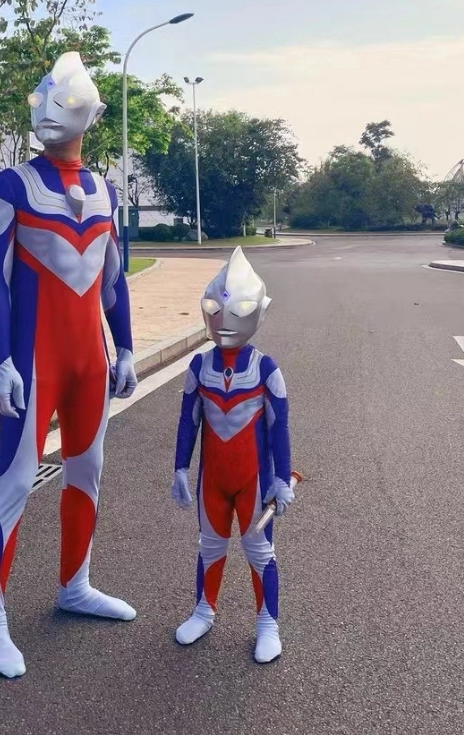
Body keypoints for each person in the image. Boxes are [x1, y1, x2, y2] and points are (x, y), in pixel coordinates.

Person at [0, 51, 137, 678]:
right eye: (40, 99)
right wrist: (1, 361)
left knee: (87, 473)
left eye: (63, 101)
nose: (47, 110)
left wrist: (126, 347)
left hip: (90, 363)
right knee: (14, 483)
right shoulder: (10, 185)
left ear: (91, 114)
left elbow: (113, 282)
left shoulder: (107, 191)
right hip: (33, 361)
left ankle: (76, 585)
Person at [170, 247, 294, 663]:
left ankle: (268, 624)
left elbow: (279, 428)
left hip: (254, 482)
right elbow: (188, 420)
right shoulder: (198, 366)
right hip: (213, 480)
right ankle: (204, 611)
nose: (225, 320)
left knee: (260, 552)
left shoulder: (266, 369)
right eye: (215, 309)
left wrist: (281, 478)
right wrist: (180, 468)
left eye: (238, 310)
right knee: (210, 547)